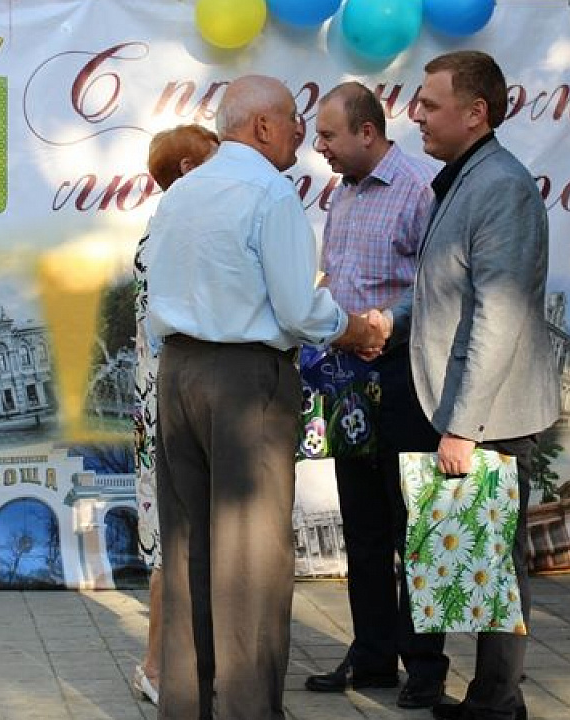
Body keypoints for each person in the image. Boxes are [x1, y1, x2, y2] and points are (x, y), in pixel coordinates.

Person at [143, 74, 384, 720]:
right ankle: (249, 710)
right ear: (263, 127)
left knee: (189, 546)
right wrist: (357, 329)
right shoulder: (271, 194)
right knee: (251, 561)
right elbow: (301, 309)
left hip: (180, 375)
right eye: (293, 121)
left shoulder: (182, 192)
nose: (300, 133)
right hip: (245, 381)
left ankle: (186, 705)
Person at [375, 50, 560, 720]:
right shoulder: (467, 178)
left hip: (490, 412)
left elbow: (499, 311)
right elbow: (445, 297)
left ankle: (498, 703)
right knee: (473, 555)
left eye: (429, 103)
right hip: (464, 405)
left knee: (496, 563)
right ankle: (492, 699)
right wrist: (385, 326)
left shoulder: (499, 184)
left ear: (475, 112)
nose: (416, 114)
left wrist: (464, 424)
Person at [301, 81, 442, 705]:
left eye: (328, 135)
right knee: (361, 523)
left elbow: (436, 285)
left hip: (403, 375)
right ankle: (373, 656)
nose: (319, 146)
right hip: (346, 381)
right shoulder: (344, 196)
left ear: (366, 132)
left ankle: (426, 666)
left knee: (413, 521)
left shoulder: (417, 192)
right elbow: (337, 275)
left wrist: (386, 323)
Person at [131, 123, 220, 706]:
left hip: (160, 402)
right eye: (216, 160)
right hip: (170, 402)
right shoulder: (179, 234)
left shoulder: (160, 230)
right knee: (174, 543)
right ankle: (158, 668)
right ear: (189, 170)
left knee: (175, 542)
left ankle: (167, 666)